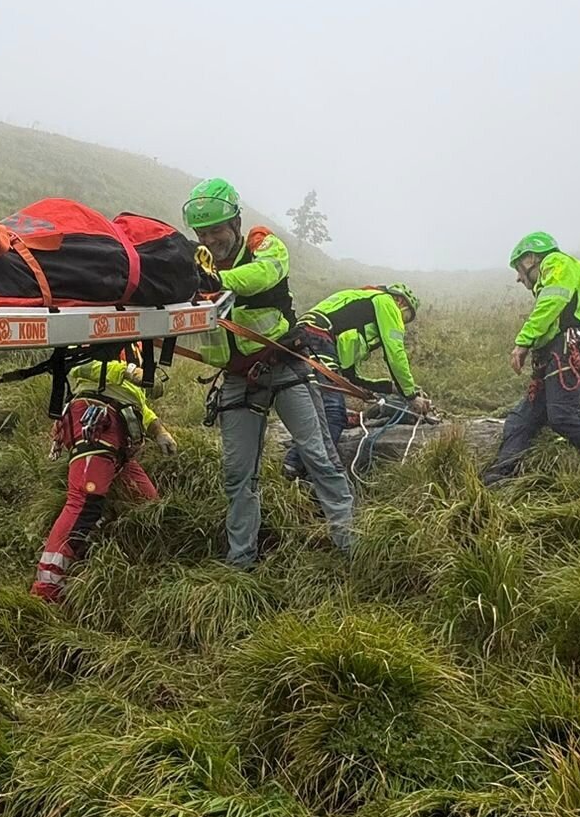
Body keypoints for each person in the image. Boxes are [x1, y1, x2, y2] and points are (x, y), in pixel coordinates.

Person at [183, 178, 354, 568]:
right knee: (237, 474)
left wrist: (216, 280)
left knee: (319, 456)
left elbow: (263, 276)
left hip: (285, 367)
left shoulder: (263, 243)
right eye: (203, 233)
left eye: (217, 231)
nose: (210, 240)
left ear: (236, 224)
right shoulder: (194, 262)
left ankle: (350, 545)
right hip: (238, 380)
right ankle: (241, 561)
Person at [31, 346, 176, 602]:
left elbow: (136, 400)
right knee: (84, 502)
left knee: (146, 506)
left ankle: (103, 561)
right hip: (96, 421)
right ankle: (46, 590)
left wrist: (158, 430)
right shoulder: (96, 321)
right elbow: (76, 366)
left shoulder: (134, 344)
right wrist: (127, 371)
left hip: (121, 434)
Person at [481, 232, 580, 485]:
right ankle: (501, 475)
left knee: (563, 416)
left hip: (573, 347)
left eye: (518, 268)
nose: (517, 277)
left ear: (530, 259)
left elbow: (552, 302)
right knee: (522, 418)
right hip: (559, 353)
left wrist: (523, 341)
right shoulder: (553, 275)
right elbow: (551, 320)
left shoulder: (557, 263)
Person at [283, 284, 435, 480]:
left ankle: (297, 464)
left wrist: (390, 388)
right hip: (317, 338)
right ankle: (301, 468)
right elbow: (395, 352)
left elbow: (350, 375)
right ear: (400, 302)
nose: (402, 323)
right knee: (333, 414)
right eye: (405, 317)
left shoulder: (360, 308)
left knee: (319, 409)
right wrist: (411, 395)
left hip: (307, 337)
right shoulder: (386, 301)